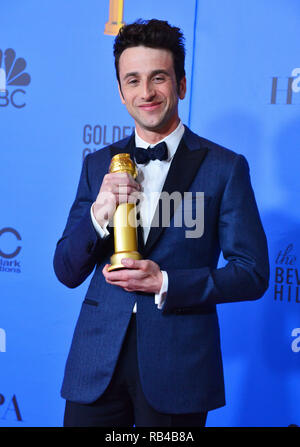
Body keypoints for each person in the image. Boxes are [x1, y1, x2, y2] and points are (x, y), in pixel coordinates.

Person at [53, 19, 269, 427]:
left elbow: (252, 273)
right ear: (120, 92)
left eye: (159, 78)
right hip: (95, 364)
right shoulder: (98, 164)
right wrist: (98, 216)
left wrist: (167, 282)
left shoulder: (224, 168)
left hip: (180, 366)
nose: (146, 92)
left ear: (181, 85)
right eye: (132, 80)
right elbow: (65, 270)